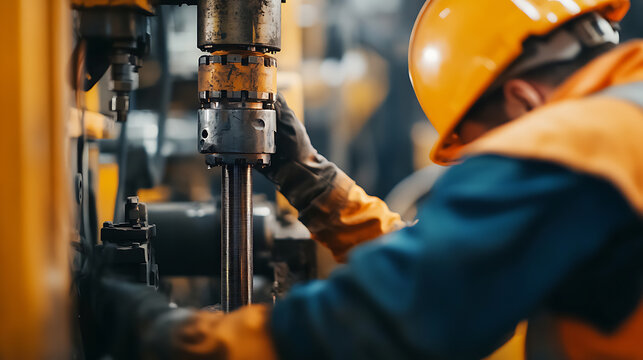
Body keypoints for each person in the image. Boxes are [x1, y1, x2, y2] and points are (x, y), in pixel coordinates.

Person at [96, 0, 643, 358]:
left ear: (525, 101)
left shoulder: (571, 146)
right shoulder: (619, 128)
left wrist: (173, 342)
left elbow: (393, 318)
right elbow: (455, 268)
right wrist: (312, 180)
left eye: (485, 151)